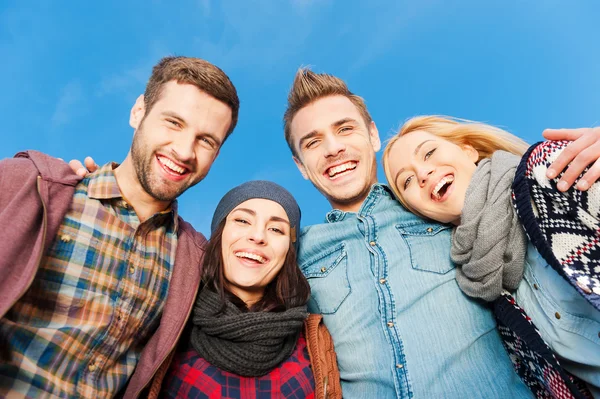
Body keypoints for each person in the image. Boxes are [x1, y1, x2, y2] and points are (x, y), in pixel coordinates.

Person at [281, 67, 600, 398]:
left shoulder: (441, 210)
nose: (333, 148)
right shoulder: (294, 255)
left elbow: (500, 195)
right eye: (314, 142)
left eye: (345, 129)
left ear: (372, 135)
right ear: (301, 166)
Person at [0, 56, 239, 399]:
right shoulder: (30, 186)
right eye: (173, 122)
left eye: (206, 141)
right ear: (138, 112)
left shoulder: (195, 261)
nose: (185, 151)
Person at [382, 115, 600, 396]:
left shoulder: (549, 172)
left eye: (429, 152)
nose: (422, 174)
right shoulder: (487, 295)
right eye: (407, 181)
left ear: (468, 150)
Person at [145, 180, 341, 399]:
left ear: (289, 251)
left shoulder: (316, 340)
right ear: (219, 234)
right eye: (242, 220)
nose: (258, 236)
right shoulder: (170, 323)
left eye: (276, 229)